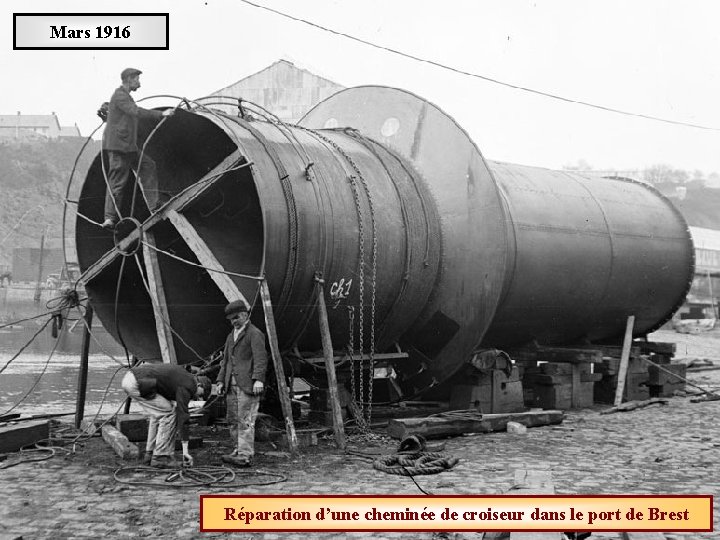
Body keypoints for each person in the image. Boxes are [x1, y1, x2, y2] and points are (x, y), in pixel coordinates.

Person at [101, 67, 174, 229]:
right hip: (119, 148)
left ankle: (154, 205)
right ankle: (109, 218)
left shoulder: (125, 97)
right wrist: (160, 115)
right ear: (129, 79)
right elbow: (135, 111)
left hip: (128, 147)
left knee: (148, 165)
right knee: (117, 182)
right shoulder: (120, 95)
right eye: (137, 80)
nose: (139, 84)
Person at [121, 363, 211, 469]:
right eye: (201, 395)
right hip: (139, 383)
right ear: (199, 385)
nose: (198, 399)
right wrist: (185, 451)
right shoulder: (190, 385)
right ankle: (161, 456)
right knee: (169, 413)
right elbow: (183, 418)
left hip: (131, 378)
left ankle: (149, 454)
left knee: (158, 414)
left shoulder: (184, 377)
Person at [215, 300, 268, 467]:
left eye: (236, 318)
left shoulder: (255, 333)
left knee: (245, 419)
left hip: (247, 385)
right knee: (232, 419)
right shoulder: (231, 336)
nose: (233, 322)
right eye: (231, 319)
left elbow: (261, 358)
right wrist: (220, 381)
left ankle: (245, 455)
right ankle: (237, 450)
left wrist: (258, 379)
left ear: (245, 315)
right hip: (231, 385)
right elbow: (225, 361)